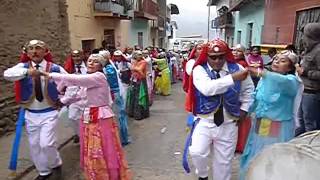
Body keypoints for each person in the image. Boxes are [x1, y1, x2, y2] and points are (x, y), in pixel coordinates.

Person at [42, 54, 132, 180]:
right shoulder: (90, 79)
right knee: (92, 146)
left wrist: (51, 75)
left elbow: (75, 80)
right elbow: (79, 95)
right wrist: (62, 102)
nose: (91, 63)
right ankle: (96, 173)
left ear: (100, 66)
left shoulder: (98, 76)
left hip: (101, 116)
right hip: (89, 116)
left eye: (95, 62)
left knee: (102, 147)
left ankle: (106, 174)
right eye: (89, 61)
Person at [186, 40, 254, 180]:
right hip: (204, 121)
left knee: (223, 162)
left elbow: (249, 90)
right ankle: (203, 175)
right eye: (213, 57)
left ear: (226, 55)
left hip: (229, 123)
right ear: (207, 56)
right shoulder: (199, 69)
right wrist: (232, 78)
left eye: (221, 57)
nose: (217, 61)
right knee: (196, 152)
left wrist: (245, 109)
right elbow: (207, 88)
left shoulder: (238, 69)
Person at [4, 40, 67, 180]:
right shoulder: (22, 67)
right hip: (30, 113)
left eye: (38, 48)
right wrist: (27, 72)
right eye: (31, 49)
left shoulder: (55, 68)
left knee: (47, 143)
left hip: (49, 112)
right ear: (26, 53)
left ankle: (56, 163)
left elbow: (71, 83)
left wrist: (64, 99)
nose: (34, 51)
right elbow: (7, 74)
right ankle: (43, 171)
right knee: (34, 144)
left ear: (46, 51)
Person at [239, 50, 301, 180]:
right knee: (256, 152)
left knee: (273, 157)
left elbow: (281, 81)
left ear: (290, 67)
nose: (277, 61)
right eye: (276, 59)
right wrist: (246, 112)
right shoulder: (265, 79)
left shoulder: (291, 81)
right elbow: (256, 98)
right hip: (261, 122)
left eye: (283, 61)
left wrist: (262, 73)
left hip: (279, 125)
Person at [100, 50, 130, 146]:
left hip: (114, 94)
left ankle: (121, 139)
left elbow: (109, 82)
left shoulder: (109, 69)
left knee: (118, 117)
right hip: (113, 94)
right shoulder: (109, 66)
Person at [295, 23, 320, 136]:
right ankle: (298, 144)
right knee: (300, 121)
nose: (303, 38)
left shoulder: (318, 51)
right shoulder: (309, 49)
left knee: (310, 123)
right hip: (303, 90)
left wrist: (305, 72)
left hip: (312, 93)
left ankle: (310, 148)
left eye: (305, 35)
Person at [63, 50, 87, 144]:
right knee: (72, 117)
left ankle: (87, 136)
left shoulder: (88, 67)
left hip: (86, 98)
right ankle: (80, 134)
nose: (76, 58)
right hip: (74, 99)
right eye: (74, 56)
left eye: (78, 56)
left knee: (87, 119)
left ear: (82, 56)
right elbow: (64, 83)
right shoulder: (69, 69)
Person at [126, 51, 149, 120]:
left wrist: (133, 67)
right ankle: (132, 112)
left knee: (139, 97)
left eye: (140, 54)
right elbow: (133, 69)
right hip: (133, 80)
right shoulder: (135, 61)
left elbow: (139, 69)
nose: (139, 56)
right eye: (138, 54)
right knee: (132, 96)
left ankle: (139, 114)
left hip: (141, 81)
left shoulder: (143, 62)